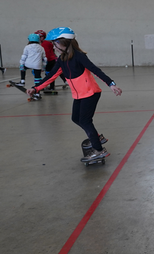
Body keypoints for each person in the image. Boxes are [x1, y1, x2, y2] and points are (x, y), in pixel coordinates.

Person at [27, 27, 123, 163]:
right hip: (79, 95)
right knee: (75, 118)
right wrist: (36, 88)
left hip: (90, 93)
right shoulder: (61, 59)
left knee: (85, 120)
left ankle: (99, 150)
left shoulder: (79, 56)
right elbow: (51, 76)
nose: (54, 47)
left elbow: (95, 69)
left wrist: (111, 84)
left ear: (62, 43)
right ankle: (97, 138)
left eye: (54, 44)